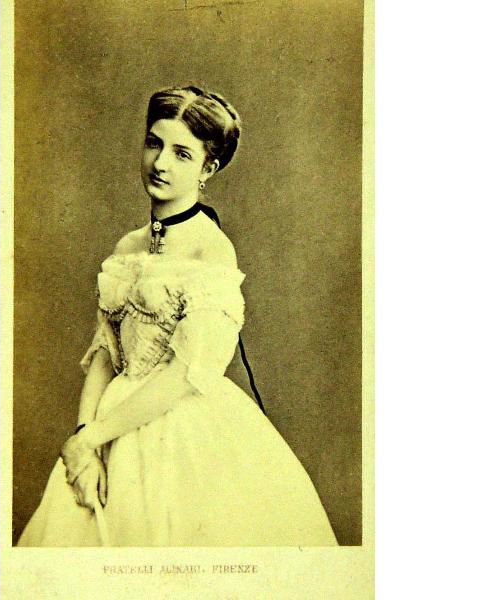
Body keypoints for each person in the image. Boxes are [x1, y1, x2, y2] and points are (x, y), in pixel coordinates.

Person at [17, 85, 338, 547]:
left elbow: (186, 374)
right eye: (154, 143)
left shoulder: (212, 251)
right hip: (108, 426)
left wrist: (94, 436)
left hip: (179, 426)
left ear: (208, 168)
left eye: (181, 153)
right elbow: (106, 353)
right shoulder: (127, 246)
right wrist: (83, 442)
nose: (160, 163)